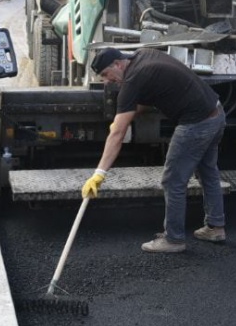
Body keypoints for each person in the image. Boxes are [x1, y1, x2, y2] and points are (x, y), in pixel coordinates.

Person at [83, 48, 226, 253]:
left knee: (173, 180)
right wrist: (121, 120)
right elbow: (144, 98)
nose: (106, 81)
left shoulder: (132, 80)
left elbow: (117, 135)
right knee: (207, 172)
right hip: (216, 113)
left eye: (106, 74)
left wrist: (99, 174)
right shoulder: (143, 56)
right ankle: (215, 228)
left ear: (118, 64)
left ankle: (174, 239)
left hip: (197, 123)